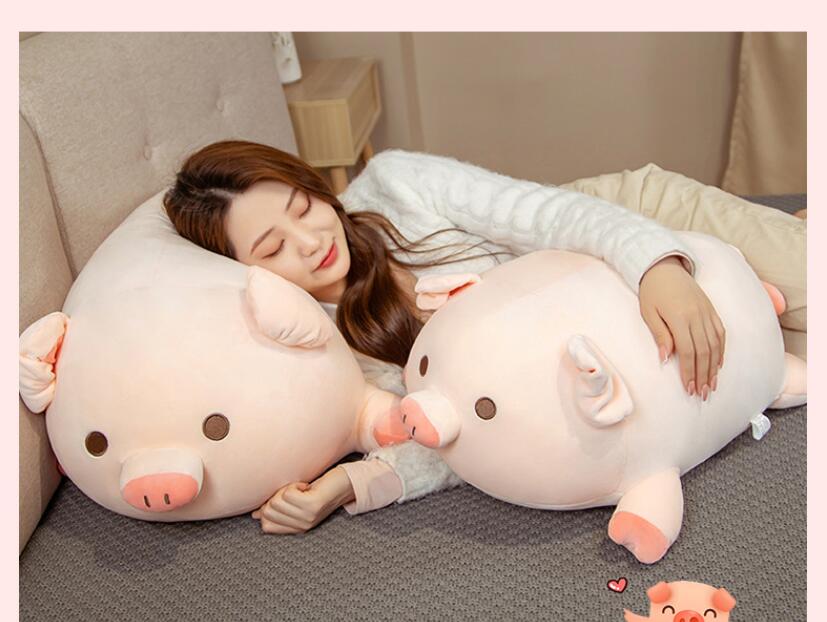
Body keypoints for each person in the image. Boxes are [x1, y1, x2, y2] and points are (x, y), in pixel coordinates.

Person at [164, 140, 805, 534]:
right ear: (243, 272)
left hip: (622, 223)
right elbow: (459, 433)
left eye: (304, 206)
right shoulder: (330, 352)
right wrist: (354, 484)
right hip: (612, 326)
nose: (311, 241)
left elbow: (551, 214)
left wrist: (656, 266)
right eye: (273, 247)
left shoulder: (395, 183)